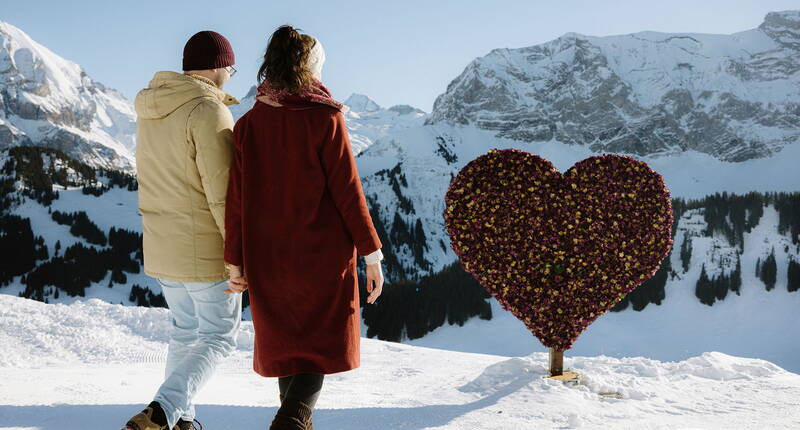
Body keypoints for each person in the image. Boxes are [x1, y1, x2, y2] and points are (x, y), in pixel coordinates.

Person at [223, 25, 385, 430]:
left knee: (289, 348)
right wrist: (372, 254)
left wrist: (235, 262)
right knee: (315, 345)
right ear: (310, 68)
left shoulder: (248, 125)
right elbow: (349, 191)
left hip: (267, 257)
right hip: (321, 256)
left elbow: (236, 202)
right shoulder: (324, 118)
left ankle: (294, 421)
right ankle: (292, 421)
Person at [124, 30, 246, 430]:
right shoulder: (208, 110)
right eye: (230, 66)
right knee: (218, 337)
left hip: (162, 245)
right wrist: (237, 255)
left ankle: (182, 420)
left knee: (185, 332)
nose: (231, 73)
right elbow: (222, 192)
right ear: (217, 67)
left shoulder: (152, 108)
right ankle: (163, 410)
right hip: (204, 248)